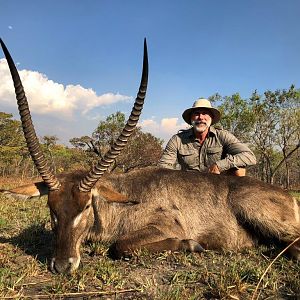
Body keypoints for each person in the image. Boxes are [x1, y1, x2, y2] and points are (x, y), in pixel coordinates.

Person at [158, 98, 256, 176]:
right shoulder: (177, 139)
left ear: (211, 118)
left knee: (240, 170)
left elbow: (249, 156)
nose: (201, 117)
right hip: (188, 188)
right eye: (196, 113)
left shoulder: (223, 136)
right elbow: (163, 167)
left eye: (205, 113)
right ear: (190, 118)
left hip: (218, 187)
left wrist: (219, 165)